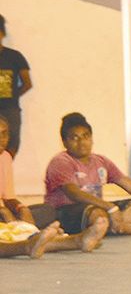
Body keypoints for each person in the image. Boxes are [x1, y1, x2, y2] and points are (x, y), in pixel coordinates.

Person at [43, 112, 131, 244]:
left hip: (99, 208)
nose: (81, 142)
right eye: (74, 138)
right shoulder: (61, 162)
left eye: (85, 136)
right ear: (64, 142)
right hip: (67, 212)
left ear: (92, 139)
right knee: (98, 215)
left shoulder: (101, 161)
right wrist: (110, 208)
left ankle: (114, 227)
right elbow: (74, 193)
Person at [0, 115, 75, 257]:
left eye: (5, 134)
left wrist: (21, 208)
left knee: (47, 210)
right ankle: (34, 240)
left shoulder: (5, 158)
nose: (1, 139)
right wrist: (3, 210)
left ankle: (30, 235)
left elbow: (8, 197)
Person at [0, 14, 31, 156]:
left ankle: (4, 171)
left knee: (12, 145)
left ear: (2, 33)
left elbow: (27, 83)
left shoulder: (15, 56)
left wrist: (12, 96)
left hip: (10, 109)